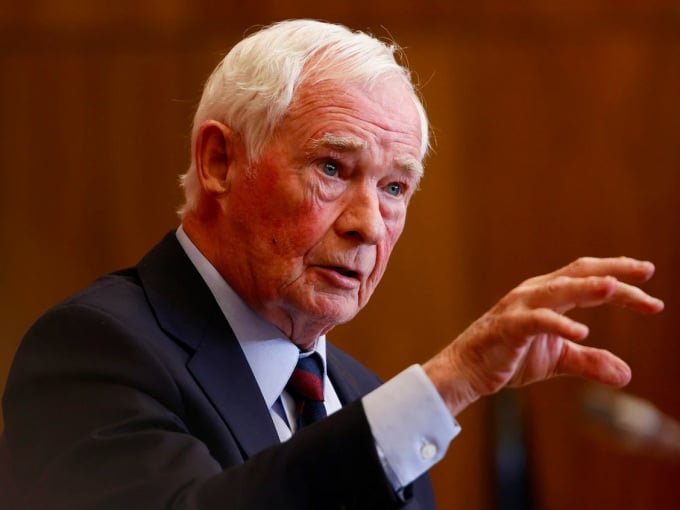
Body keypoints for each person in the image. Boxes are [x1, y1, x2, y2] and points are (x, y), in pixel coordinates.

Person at [0, 19, 664, 510]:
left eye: (395, 187)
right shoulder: (96, 350)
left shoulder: (369, 400)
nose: (369, 224)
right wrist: (449, 384)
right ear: (219, 162)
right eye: (332, 168)